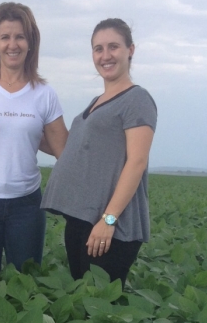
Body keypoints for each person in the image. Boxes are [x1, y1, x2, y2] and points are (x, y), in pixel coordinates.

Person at [41, 18, 157, 286]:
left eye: (113, 47)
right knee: (82, 303)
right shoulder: (96, 102)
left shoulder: (137, 99)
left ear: (131, 50)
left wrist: (109, 219)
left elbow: (136, 162)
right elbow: (75, 151)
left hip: (112, 227)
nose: (105, 56)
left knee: (101, 307)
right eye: (98, 49)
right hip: (82, 220)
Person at [0, 1, 68, 277]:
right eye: (5, 37)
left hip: (27, 206)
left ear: (31, 43)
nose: (12, 44)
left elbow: (63, 150)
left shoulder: (44, 94)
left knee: (26, 285)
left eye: (20, 36)